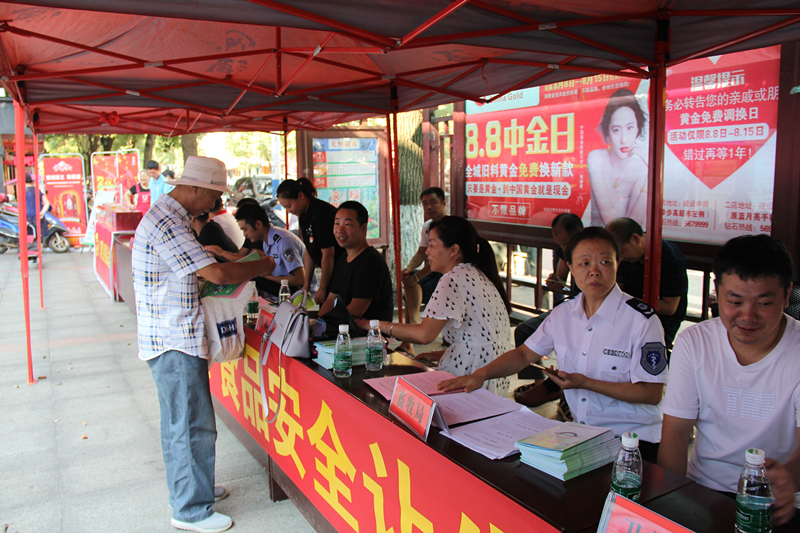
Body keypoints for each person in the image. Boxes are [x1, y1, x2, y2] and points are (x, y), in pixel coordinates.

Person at [132, 156, 276, 533]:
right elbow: (218, 273)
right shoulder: (168, 222)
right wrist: (261, 265)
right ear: (195, 187)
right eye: (213, 195)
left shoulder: (172, 216)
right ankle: (191, 510)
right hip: (174, 338)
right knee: (191, 425)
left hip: (170, 333)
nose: (215, 204)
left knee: (180, 422)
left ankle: (192, 489)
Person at [438, 227, 667, 462]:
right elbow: (523, 355)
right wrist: (480, 375)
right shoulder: (563, 314)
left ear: (618, 263)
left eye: (605, 262)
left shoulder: (641, 320)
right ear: (571, 268)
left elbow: (651, 393)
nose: (594, 271)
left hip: (634, 443)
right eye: (584, 263)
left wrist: (586, 383)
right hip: (584, 437)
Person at [658, 234, 800, 526]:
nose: (747, 316)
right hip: (705, 489)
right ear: (717, 291)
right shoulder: (694, 343)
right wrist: (667, 504)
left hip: (778, 499)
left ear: (787, 295)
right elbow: (676, 433)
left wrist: (790, 477)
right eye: (734, 301)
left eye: (764, 302)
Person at [362, 216, 513, 396]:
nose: (427, 251)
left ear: (454, 250)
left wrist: (376, 325)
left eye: (432, 245)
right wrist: (443, 354)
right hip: (493, 373)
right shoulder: (478, 274)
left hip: (471, 374)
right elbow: (478, 337)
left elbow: (424, 334)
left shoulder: (452, 279)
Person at [513, 212, 583, 408]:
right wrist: (555, 282)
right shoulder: (566, 251)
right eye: (560, 245)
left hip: (588, 314)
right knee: (524, 330)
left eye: (565, 244)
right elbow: (561, 280)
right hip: (571, 308)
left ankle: (565, 396)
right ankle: (541, 384)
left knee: (575, 344)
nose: (564, 250)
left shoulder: (585, 250)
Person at [606, 217, 688, 349]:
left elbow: (670, 308)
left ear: (636, 239)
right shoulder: (625, 259)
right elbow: (618, 290)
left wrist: (626, 303)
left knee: (645, 350)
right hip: (628, 313)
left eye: (623, 252)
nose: (621, 258)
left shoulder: (670, 257)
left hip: (661, 319)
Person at [318, 201, 393, 322]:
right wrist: (317, 323)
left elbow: (356, 311)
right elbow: (332, 299)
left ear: (363, 228)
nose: (340, 230)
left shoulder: (371, 262)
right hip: (347, 328)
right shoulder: (342, 259)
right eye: (337, 223)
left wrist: (327, 324)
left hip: (370, 332)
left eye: (347, 224)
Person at [276, 178, 344, 305]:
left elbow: (328, 254)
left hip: (340, 272)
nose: (289, 211)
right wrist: (306, 286)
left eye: (289, 206)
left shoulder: (320, 214)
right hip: (330, 272)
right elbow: (310, 250)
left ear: (301, 196)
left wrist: (322, 288)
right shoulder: (303, 215)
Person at [587, 88, 648, 227]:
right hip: (598, 238)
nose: (624, 139)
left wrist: (650, 172)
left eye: (630, 128)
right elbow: (608, 219)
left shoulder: (641, 168)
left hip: (627, 239)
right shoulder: (596, 159)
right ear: (607, 132)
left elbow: (634, 224)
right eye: (616, 130)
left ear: (637, 129)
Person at [397, 187, 448, 355]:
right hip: (433, 269)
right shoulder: (427, 226)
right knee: (408, 279)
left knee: (413, 284)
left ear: (443, 203)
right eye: (425, 203)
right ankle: (412, 329)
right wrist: (410, 268)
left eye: (433, 202)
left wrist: (417, 277)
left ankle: (411, 332)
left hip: (449, 273)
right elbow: (421, 253)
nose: (428, 207)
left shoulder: (451, 226)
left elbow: (440, 260)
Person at [234, 202, 311, 297]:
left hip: (299, 296)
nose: (245, 234)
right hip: (283, 292)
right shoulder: (266, 242)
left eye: (245, 229)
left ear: (258, 224)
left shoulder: (283, 241)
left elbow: (300, 279)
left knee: (256, 279)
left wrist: (267, 278)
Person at [25, 173, 50, 239]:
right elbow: (47, 203)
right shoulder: (37, 191)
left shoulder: (22, 192)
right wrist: (42, 212)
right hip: (38, 217)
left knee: (30, 240)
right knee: (40, 239)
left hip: (27, 218)